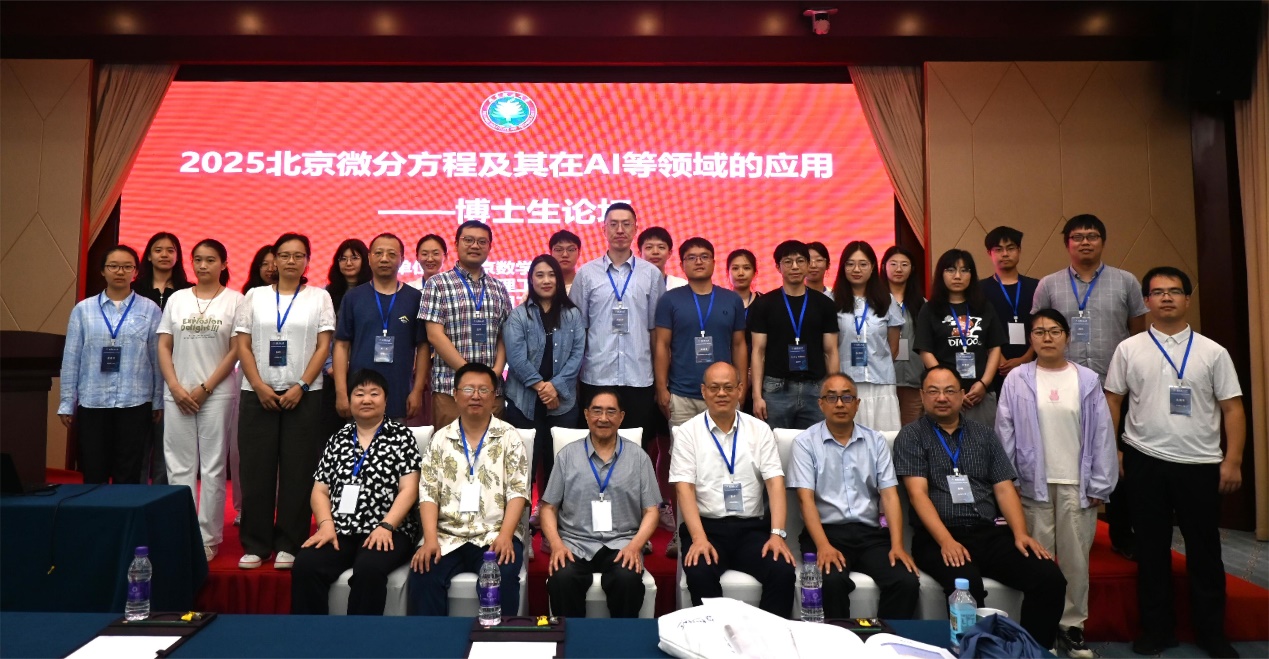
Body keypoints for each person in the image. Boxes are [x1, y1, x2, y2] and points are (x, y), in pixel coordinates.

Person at [1105, 267, 1245, 658]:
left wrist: (1233, 460)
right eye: (1158, 292)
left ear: (1187, 299)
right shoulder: (1129, 349)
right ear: (1146, 301)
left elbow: (1233, 408)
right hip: (1144, 459)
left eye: (1175, 291)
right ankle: (1157, 630)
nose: (1166, 297)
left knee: (1205, 550)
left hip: (1200, 462)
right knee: (1151, 550)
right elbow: (1113, 400)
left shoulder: (1212, 351)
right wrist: (1113, 450)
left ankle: (1211, 633)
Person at [894, 365, 1067, 649]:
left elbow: (1004, 488)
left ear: (962, 395)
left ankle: (1033, 650)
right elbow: (918, 495)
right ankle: (972, 652)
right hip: (938, 538)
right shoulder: (911, 436)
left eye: (949, 391)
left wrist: (1020, 534)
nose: (942, 397)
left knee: (1049, 578)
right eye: (933, 391)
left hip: (988, 533)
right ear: (922, 396)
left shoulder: (984, 435)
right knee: (967, 584)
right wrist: (946, 541)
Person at [995, 308, 1117, 659]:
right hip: (1030, 484)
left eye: (1054, 331)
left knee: (1075, 561)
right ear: (1030, 339)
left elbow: (1102, 434)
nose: (1047, 338)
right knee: (1038, 561)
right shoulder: (1017, 378)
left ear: (1067, 337)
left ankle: (1072, 626)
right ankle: (1040, 629)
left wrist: (1100, 483)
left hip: (1077, 483)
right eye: (1039, 332)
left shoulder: (1086, 379)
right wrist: (1009, 480)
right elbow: (1005, 431)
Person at [1031, 214, 1149, 560]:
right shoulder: (1049, 285)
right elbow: (1039, 329)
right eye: (1078, 236)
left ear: (1103, 241)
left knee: (1116, 457)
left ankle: (1122, 533)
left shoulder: (1126, 281)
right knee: (1064, 454)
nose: (1085, 242)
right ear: (1067, 243)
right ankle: (1059, 529)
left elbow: (1137, 333)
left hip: (1114, 388)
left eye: (1092, 236)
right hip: (1061, 386)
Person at [233, 233, 336, 570]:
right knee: (256, 470)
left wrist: (302, 385)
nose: (292, 261)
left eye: (298, 255)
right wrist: (258, 385)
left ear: (307, 261)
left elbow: (323, 346)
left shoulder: (319, 297)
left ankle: (290, 543)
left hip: (304, 395)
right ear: (274, 260)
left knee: (298, 471)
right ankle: (256, 544)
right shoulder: (255, 295)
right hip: (257, 394)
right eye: (285, 255)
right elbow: (243, 345)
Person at [788, 374, 919, 619]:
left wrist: (898, 545)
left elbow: (890, 496)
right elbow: (805, 500)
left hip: (870, 534)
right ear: (821, 404)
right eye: (832, 398)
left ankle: (884, 638)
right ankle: (842, 641)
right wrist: (823, 546)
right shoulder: (805, 443)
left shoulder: (875, 441)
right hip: (826, 533)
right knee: (832, 581)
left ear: (857, 404)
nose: (840, 404)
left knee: (906, 581)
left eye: (847, 397)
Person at [291, 369, 421, 615]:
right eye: (359, 394)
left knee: (369, 569)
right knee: (306, 565)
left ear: (386, 400)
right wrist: (325, 525)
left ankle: (359, 636)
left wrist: (386, 526)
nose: (366, 399)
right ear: (349, 400)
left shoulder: (402, 437)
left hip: (388, 530)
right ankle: (310, 634)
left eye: (374, 393)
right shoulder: (337, 439)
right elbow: (319, 491)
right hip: (340, 529)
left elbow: (409, 488)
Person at [672, 362, 796, 616]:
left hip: (751, 529)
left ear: (740, 390)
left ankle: (768, 636)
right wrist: (698, 538)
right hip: (706, 529)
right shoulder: (687, 433)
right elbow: (684, 489)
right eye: (714, 388)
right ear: (703, 391)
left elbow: (775, 482)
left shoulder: (760, 430)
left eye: (728, 387)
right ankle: (719, 636)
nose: (722, 393)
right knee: (699, 572)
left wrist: (777, 534)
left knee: (782, 571)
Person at [409, 363, 529, 616]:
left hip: (494, 534)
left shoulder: (510, 437)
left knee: (502, 574)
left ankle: (496, 639)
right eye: (468, 389)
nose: (476, 396)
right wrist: (429, 539)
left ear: (494, 396)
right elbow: (428, 493)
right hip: (447, 534)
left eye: (483, 390)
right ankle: (431, 639)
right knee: (423, 572)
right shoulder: (440, 439)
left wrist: (506, 535)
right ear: (455, 395)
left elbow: (517, 491)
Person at [654, 237, 748, 558]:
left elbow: (739, 345)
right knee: (683, 468)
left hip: (723, 397)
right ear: (682, 264)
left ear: (713, 262)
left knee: (723, 463)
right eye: (691, 257)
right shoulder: (671, 300)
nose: (698, 261)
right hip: (682, 394)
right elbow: (662, 345)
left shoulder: (730, 300)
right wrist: (662, 387)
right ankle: (682, 532)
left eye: (704, 256)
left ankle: (720, 530)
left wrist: (742, 384)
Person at [157, 239, 245, 562]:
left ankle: (207, 537)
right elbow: (164, 345)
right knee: (179, 466)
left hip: (217, 393)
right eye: (198, 259)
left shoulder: (236, 301)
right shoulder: (177, 299)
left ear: (224, 264)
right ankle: (181, 531)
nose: (203, 265)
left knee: (212, 467)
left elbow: (236, 349)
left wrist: (206, 387)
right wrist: (175, 386)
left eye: (210, 260)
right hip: (177, 392)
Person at [541, 388, 661, 618]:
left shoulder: (638, 457)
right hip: (575, 542)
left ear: (621, 417)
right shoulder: (567, 456)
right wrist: (556, 544)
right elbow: (548, 507)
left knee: (627, 580)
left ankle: (620, 639)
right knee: (562, 579)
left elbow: (652, 510)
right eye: (597, 411)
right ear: (586, 414)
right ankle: (573, 640)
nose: (603, 418)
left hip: (622, 543)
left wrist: (635, 546)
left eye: (610, 412)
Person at [58, 246, 163, 484]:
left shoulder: (150, 309)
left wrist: (158, 400)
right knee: (94, 470)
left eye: (127, 267)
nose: (120, 272)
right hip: (93, 401)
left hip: (135, 401)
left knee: (129, 471)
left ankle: (125, 509)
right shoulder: (83, 310)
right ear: (102, 271)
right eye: (113, 266)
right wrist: (67, 402)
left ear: (135, 272)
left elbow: (156, 358)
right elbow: (72, 357)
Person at [503, 254, 585, 555]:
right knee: (522, 470)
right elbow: (516, 357)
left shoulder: (572, 314)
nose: (546, 280)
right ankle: (521, 532)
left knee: (558, 470)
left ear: (558, 280)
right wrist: (540, 386)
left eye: (551, 275)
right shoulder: (519, 315)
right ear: (531, 279)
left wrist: (555, 387)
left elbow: (578, 354)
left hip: (562, 402)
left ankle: (554, 533)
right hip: (524, 401)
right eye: (539, 275)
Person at [569, 202, 665, 454]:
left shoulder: (651, 275)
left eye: (626, 224)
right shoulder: (586, 275)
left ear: (635, 229)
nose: (620, 230)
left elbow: (656, 332)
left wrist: (660, 382)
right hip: (596, 376)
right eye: (613, 224)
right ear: (603, 229)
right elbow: (578, 331)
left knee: (636, 449)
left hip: (639, 377)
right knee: (596, 447)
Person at [420, 221, 513, 430]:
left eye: (482, 241)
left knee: (493, 448)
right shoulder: (437, 284)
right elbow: (434, 335)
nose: (475, 246)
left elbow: (504, 335)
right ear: (456, 244)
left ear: (490, 246)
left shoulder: (499, 288)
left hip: (492, 391)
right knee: (450, 448)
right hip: (450, 389)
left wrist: (496, 372)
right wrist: (469, 374)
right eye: (468, 240)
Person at [332, 233, 427, 422]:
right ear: (369, 258)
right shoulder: (353, 298)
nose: (384, 259)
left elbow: (423, 347)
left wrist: (417, 391)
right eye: (379, 253)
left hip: (399, 393)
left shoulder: (415, 298)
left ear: (402, 259)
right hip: (360, 392)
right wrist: (341, 393)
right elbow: (341, 346)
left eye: (391, 254)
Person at [747, 240, 839, 430]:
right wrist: (757, 396)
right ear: (778, 267)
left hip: (816, 389)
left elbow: (831, 351)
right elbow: (758, 352)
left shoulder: (825, 304)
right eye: (788, 262)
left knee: (816, 444)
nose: (795, 266)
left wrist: (834, 391)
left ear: (808, 264)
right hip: (775, 389)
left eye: (800, 261)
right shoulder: (764, 304)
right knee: (776, 445)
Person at [913, 249, 1005, 427]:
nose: (957, 276)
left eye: (964, 270)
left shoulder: (984, 307)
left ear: (972, 275)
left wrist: (984, 384)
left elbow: (995, 348)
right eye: (951, 270)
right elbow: (925, 351)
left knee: (981, 441)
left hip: (980, 392)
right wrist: (950, 388)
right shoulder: (930, 309)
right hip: (943, 394)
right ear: (941, 274)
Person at [135, 231, 192, 485]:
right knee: (137, 444)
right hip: (139, 372)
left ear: (178, 256)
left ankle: (160, 494)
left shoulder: (188, 291)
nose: (164, 255)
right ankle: (135, 495)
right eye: (158, 250)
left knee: (167, 444)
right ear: (148, 255)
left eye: (170, 250)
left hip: (176, 373)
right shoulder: (134, 290)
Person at [833, 241, 905, 432]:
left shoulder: (887, 300)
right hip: (846, 381)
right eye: (850, 264)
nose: (856, 269)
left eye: (863, 264)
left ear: (873, 267)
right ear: (843, 267)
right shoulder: (832, 301)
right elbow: (829, 347)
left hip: (881, 381)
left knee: (883, 437)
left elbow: (893, 347)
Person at [982, 227, 1039, 392]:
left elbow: (1042, 325)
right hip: (993, 368)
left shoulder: (1036, 286)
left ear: (1019, 250)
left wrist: (1027, 357)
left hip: (1032, 364)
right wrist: (998, 359)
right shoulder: (979, 289)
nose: (1005, 254)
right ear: (989, 253)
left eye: (1010, 248)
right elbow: (980, 329)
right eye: (998, 249)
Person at [882, 246, 926, 426]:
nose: (898, 269)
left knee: (911, 430)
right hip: (883, 380)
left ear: (912, 269)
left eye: (904, 264)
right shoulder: (876, 302)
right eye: (893, 264)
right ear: (883, 266)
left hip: (913, 381)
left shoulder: (922, 304)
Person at [406, 234, 446, 427]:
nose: (430, 259)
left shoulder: (452, 289)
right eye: (425, 254)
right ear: (417, 257)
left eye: (436, 253)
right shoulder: (409, 291)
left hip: (446, 362)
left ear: (445, 256)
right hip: (414, 364)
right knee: (417, 419)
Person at [325, 239, 371, 315]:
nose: (348, 263)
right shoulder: (326, 292)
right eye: (343, 259)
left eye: (354, 258)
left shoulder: (374, 291)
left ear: (365, 260)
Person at [549, 230, 583, 295]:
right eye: (559, 250)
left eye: (571, 250)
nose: (565, 255)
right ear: (551, 253)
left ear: (578, 253)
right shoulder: (543, 287)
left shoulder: (586, 285)